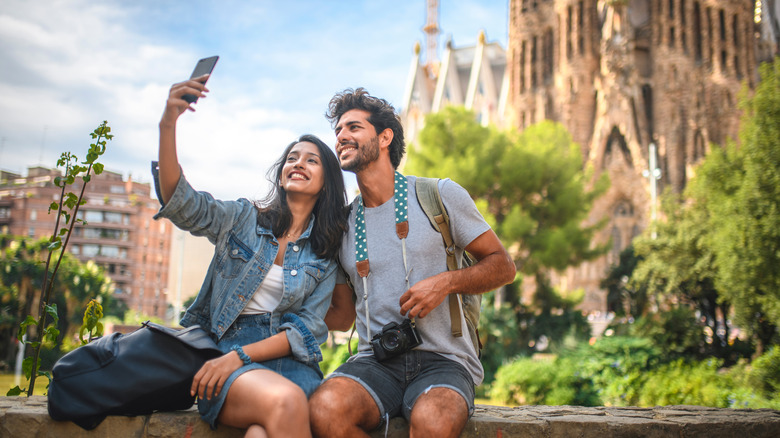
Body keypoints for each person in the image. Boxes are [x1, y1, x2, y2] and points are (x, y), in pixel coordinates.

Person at [309, 88, 516, 437]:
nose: (342, 136)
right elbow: (343, 317)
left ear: (385, 137)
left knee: (433, 422)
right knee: (325, 409)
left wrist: (446, 282)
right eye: (338, 131)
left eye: (354, 127)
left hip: (446, 361)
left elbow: (503, 266)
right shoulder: (343, 225)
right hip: (375, 362)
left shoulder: (439, 195)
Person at [154, 75, 347, 438]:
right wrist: (168, 122)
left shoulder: (324, 254)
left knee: (260, 434)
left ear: (328, 181)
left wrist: (243, 356)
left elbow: (307, 330)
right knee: (287, 403)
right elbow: (182, 203)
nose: (298, 163)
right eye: (292, 158)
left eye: (311, 160)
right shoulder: (243, 219)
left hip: (290, 362)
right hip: (226, 354)